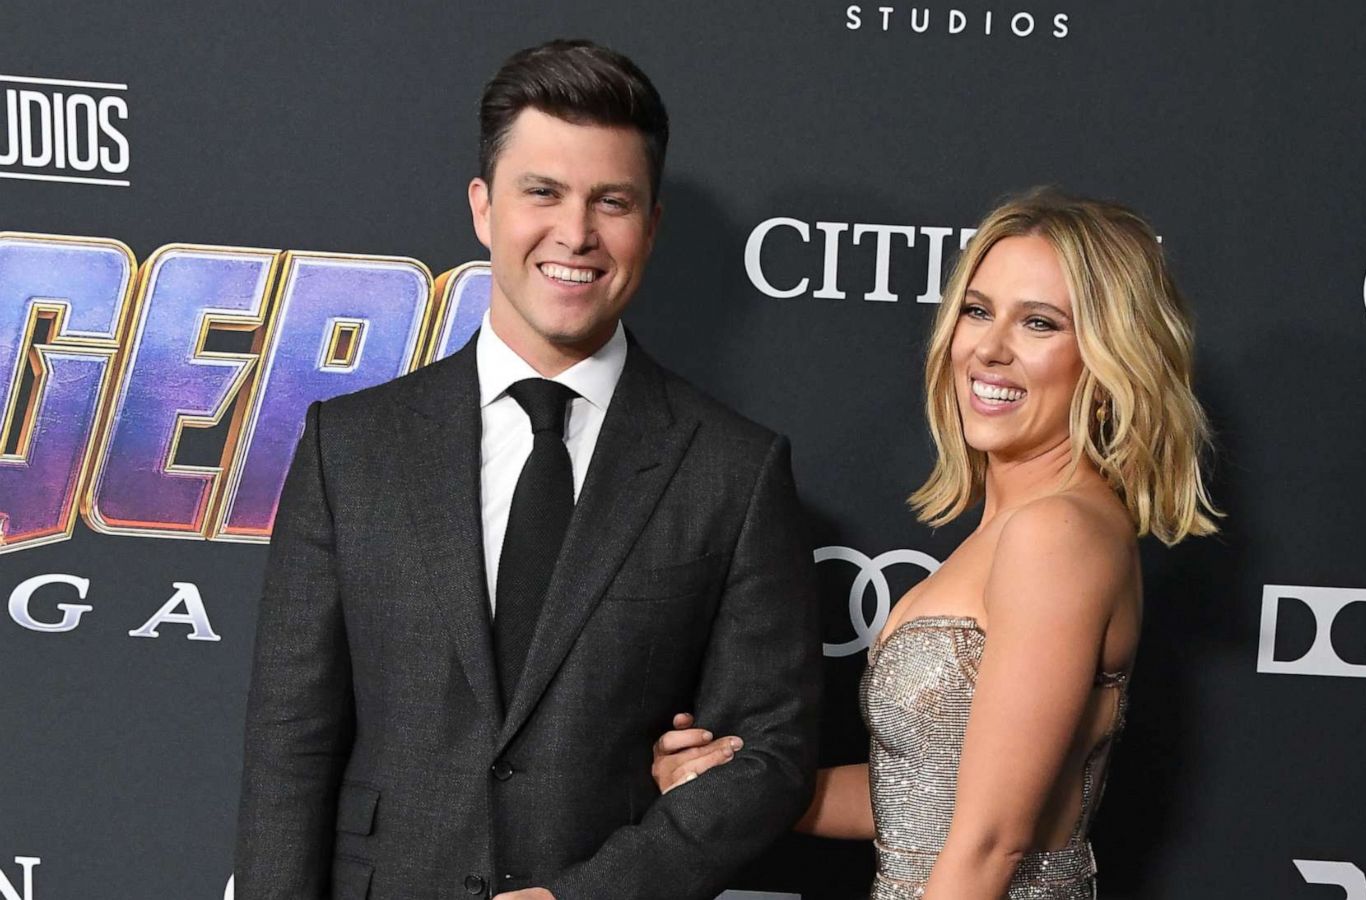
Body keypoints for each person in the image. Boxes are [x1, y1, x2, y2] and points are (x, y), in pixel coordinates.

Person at [234, 40, 821, 900]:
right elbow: (291, 743)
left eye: (610, 201)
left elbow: (766, 754)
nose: (575, 233)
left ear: (651, 226)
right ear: (483, 207)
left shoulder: (734, 469)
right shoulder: (350, 447)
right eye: (541, 192)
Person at [652, 190, 1218, 899]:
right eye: (978, 311)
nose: (990, 348)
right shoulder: (1019, 527)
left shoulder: (1057, 534)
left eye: (1039, 323)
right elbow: (924, 801)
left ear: (1108, 361)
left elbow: (991, 843)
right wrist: (732, 786)